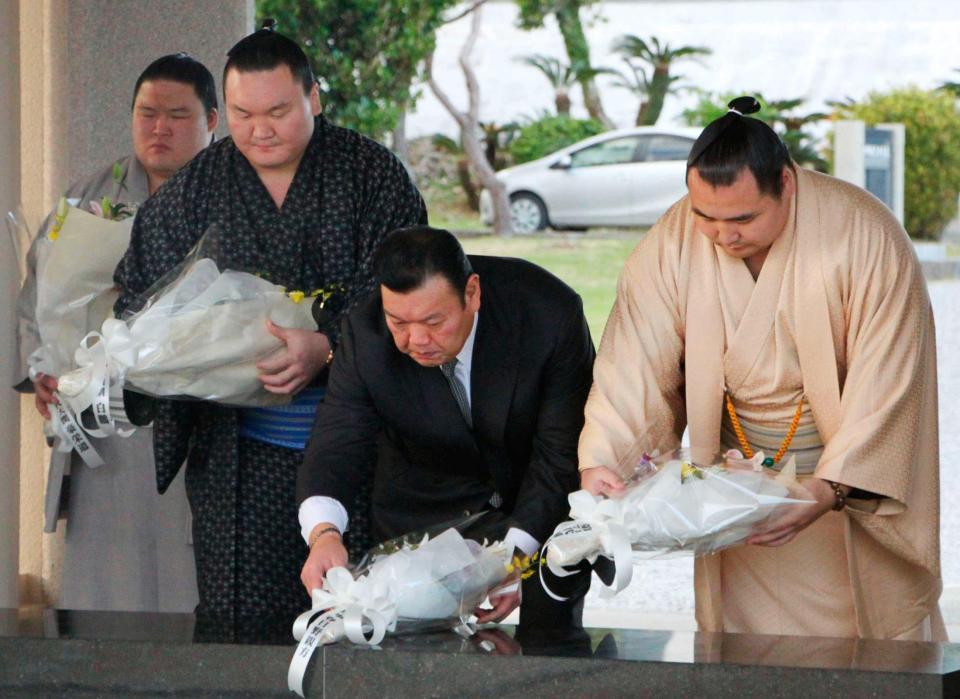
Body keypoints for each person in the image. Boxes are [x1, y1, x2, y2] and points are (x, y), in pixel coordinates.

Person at [577, 96, 945, 641]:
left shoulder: (863, 233)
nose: (723, 235)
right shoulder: (673, 241)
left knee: (869, 647)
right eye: (706, 216)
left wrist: (828, 489)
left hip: (839, 486)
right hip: (734, 492)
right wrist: (607, 456)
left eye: (743, 218)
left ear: (787, 185)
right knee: (744, 646)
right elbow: (634, 358)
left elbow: (889, 376)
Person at [113, 26, 427, 619]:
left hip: (361, 450)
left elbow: (409, 291)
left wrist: (328, 345)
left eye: (279, 111)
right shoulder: (196, 188)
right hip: (240, 454)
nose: (260, 129)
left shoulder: (371, 174)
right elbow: (138, 300)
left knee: (364, 620)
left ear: (314, 98)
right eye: (242, 113)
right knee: (244, 626)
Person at [297, 226, 595, 627]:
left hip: (538, 516)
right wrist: (324, 534)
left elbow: (559, 452)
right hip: (422, 523)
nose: (416, 339)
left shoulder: (548, 314)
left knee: (546, 659)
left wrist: (513, 556)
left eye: (434, 321)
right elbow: (337, 438)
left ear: (472, 293)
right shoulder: (364, 335)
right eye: (398, 322)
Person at [12, 53, 218, 612]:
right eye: (147, 112)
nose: (159, 128)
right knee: (106, 592)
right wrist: (42, 369)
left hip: (198, 419)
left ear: (212, 122)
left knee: (190, 586)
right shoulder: (89, 194)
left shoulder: (232, 194)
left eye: (177, 115)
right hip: (102, 426)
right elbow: (40, 295)